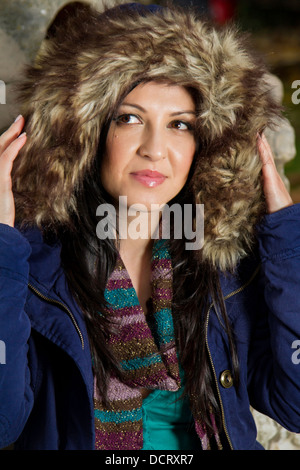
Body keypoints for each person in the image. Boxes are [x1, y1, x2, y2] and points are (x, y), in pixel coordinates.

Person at [0, 1, 299, 451]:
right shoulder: (34, 262)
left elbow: (294, 403)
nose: (155, 149)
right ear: (86, 131)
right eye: (130, 118)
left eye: (180, 124)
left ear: (208, 144)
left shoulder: (226, 263)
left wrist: (288, 241)